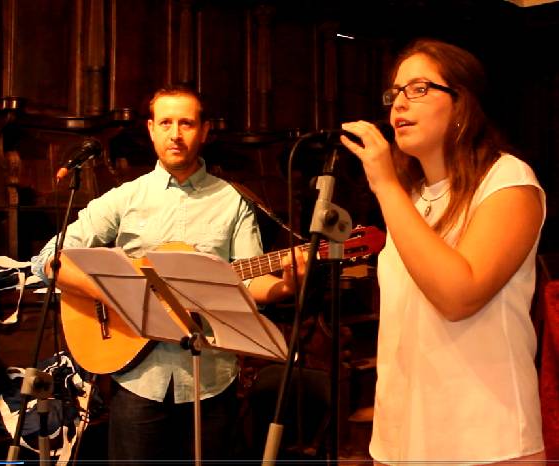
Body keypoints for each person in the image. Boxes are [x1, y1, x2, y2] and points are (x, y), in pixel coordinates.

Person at [31, 85, 305, 464]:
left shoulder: (235, 200)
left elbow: (248, 279)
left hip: (210, 377)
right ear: (151, 129)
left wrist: (285, 286)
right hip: (138, 376)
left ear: (205, 130)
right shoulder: (125, 198)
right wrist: (115, 294)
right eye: (166, 122)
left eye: (187, 123)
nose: (175, 133)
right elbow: (49, 259)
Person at [339, 38, 546, 464]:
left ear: (462, 104)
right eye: (395, 93)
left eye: (418, 89)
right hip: (402, 436)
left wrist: (385, 185)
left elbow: (458, 296)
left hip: (485, 436)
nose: (399, 104)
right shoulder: (410, 197)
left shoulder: (508, 181)